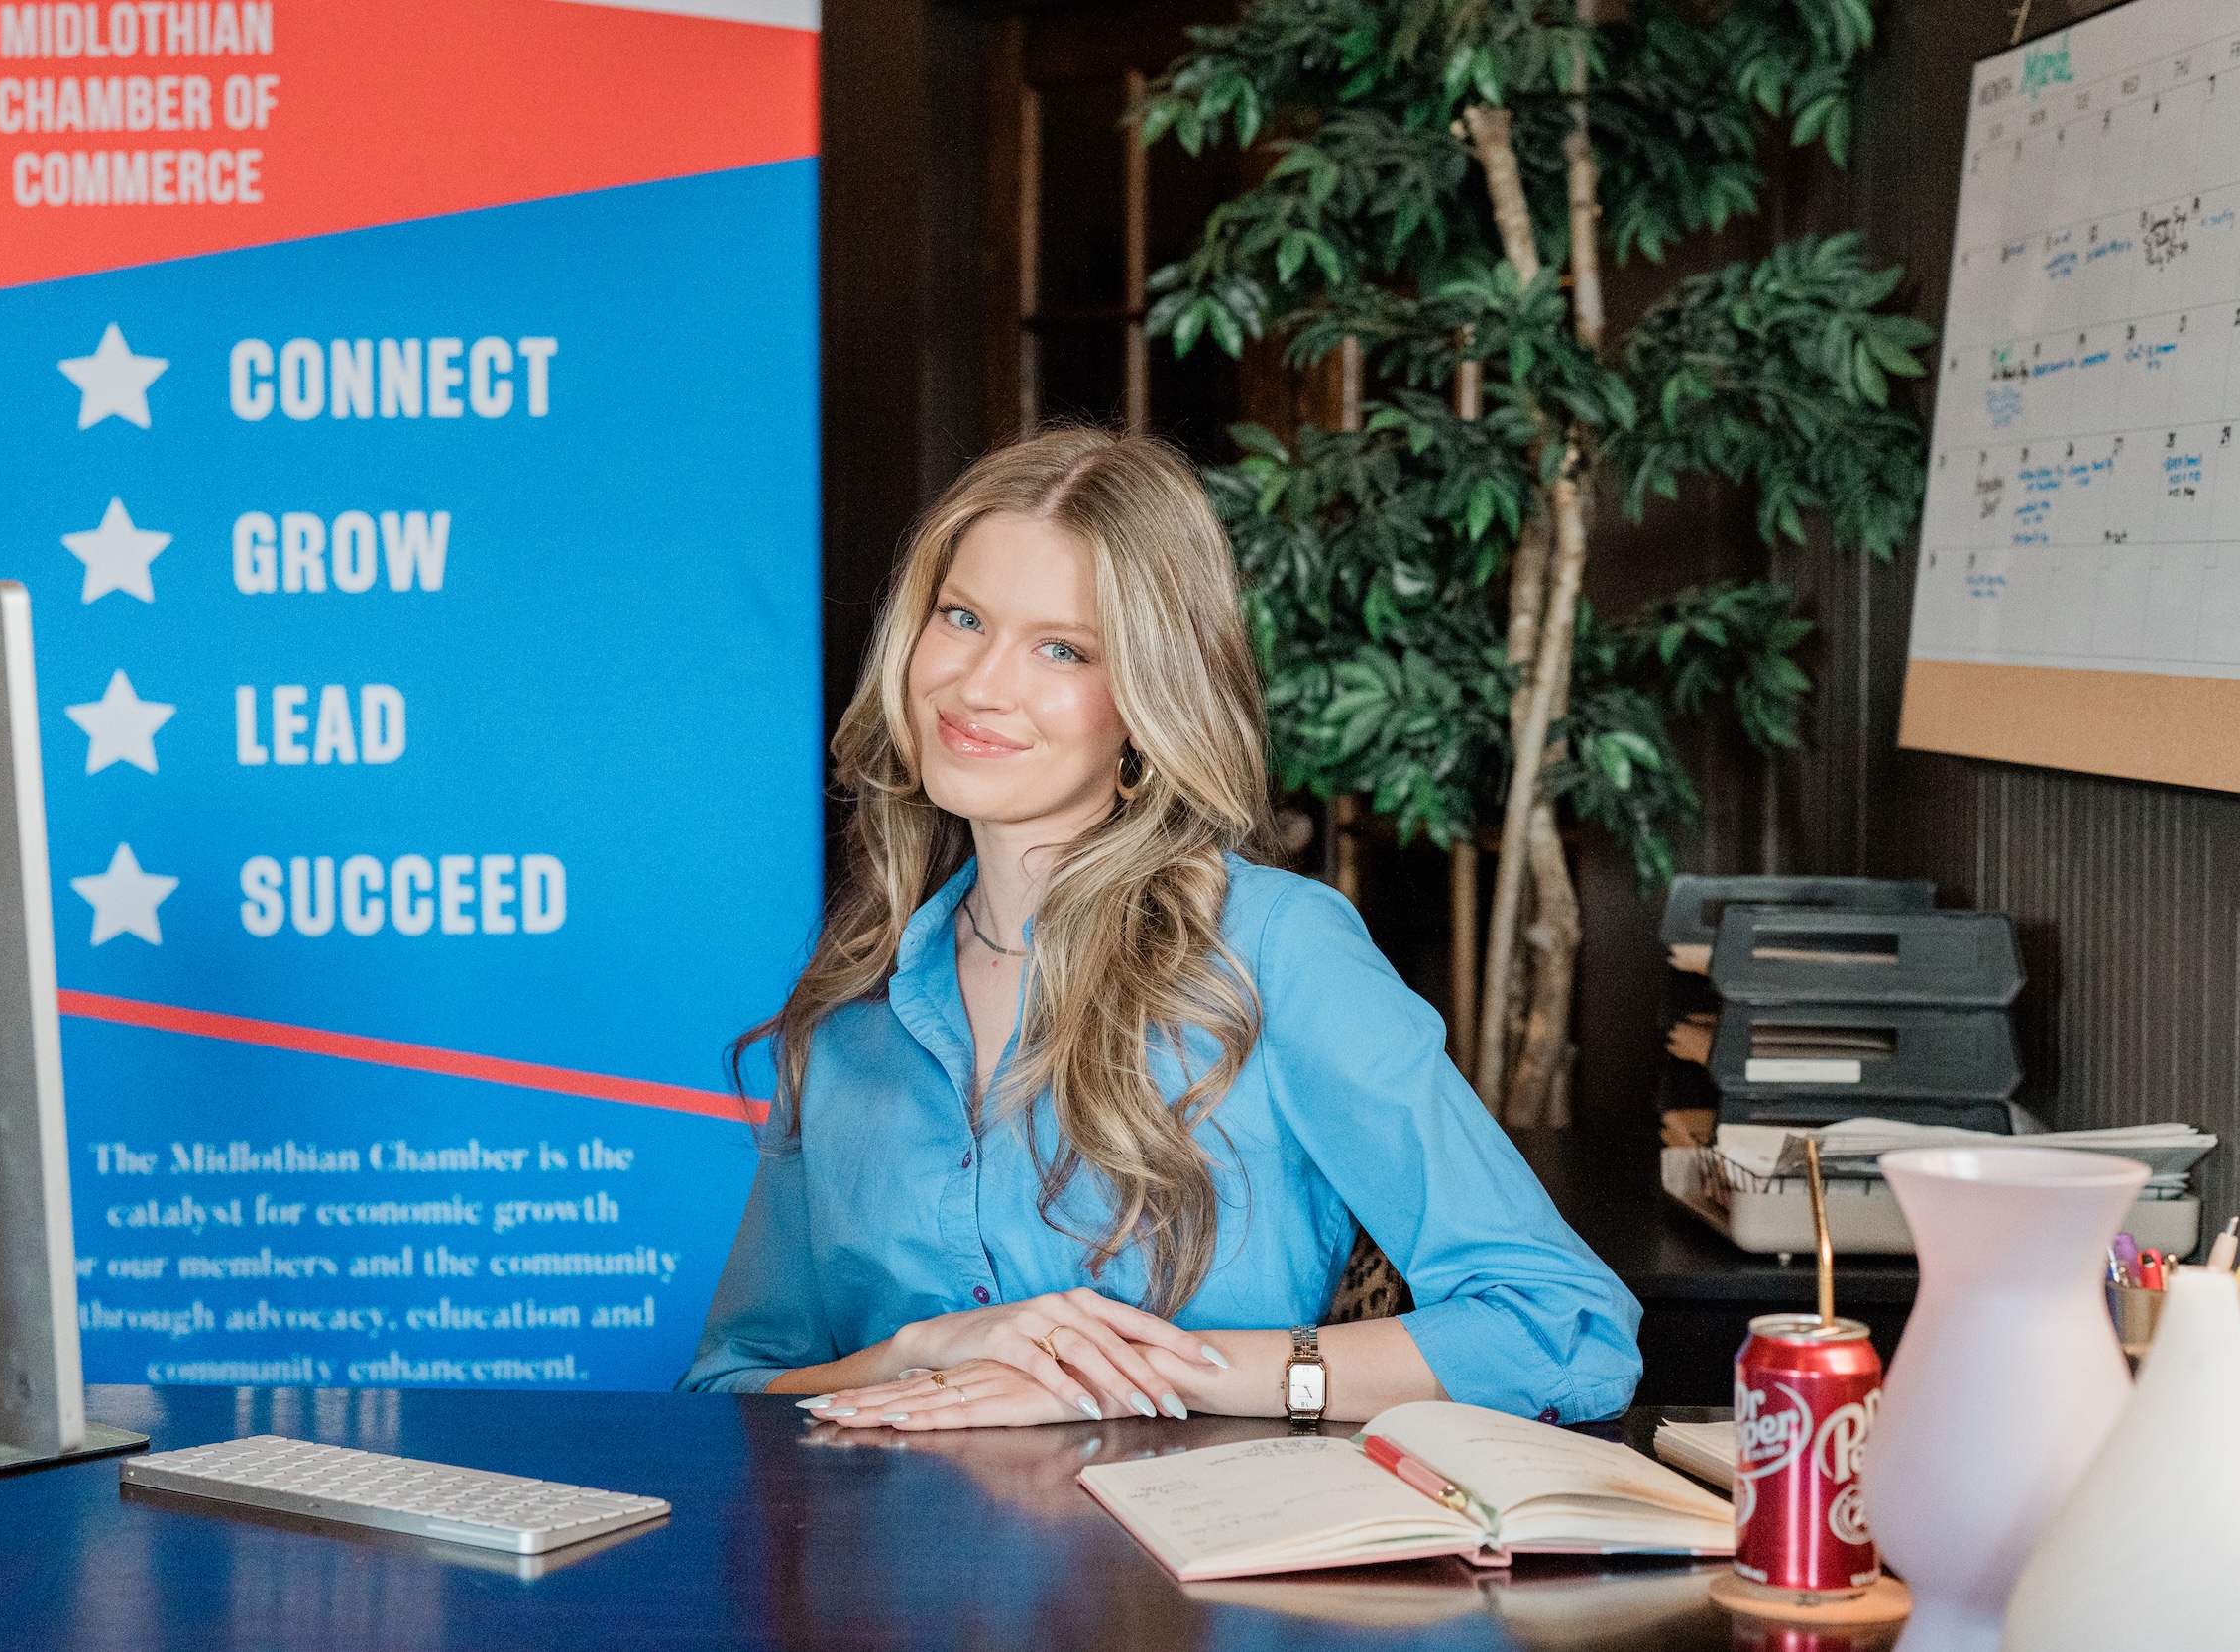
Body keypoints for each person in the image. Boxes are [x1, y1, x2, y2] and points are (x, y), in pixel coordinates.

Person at [679, 427, 1640, 1427]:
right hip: (885, 1576)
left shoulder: (1276, 951)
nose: (977, 685)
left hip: (1184, 1571)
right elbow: (728, 1393)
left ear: (1146, 697)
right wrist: (918, 1352)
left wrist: (1154, 1369)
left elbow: (1563, 1324)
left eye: (1061, 648)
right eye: (961, 617)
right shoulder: (857, 1000)